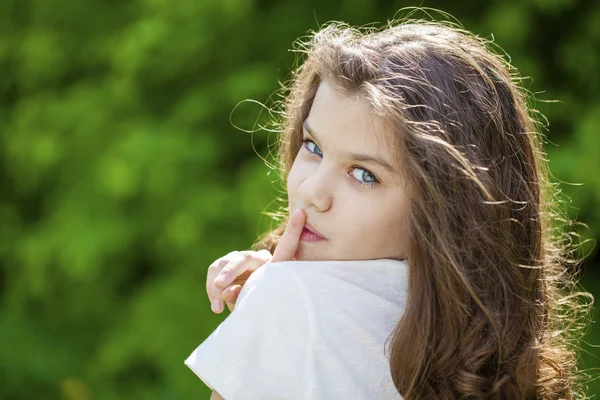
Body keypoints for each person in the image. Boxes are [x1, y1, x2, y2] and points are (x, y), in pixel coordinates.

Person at [186, 14, 594, 400]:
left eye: (363, 174)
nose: (312, 191)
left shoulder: (287, 300)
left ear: (446, 208)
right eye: (312, 147)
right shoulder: (493, 358)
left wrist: (267, 312)